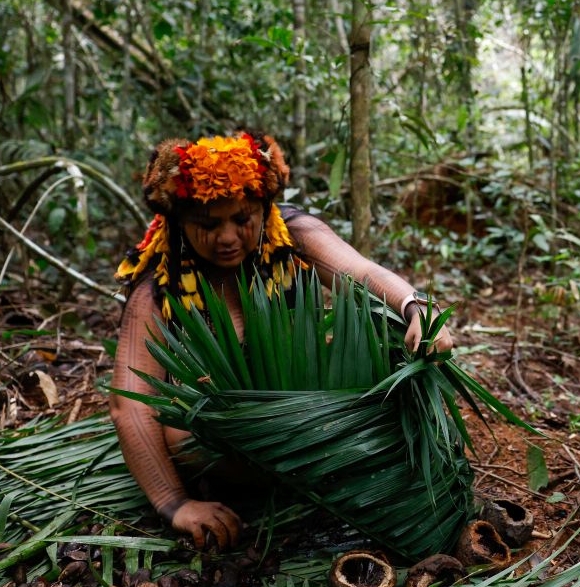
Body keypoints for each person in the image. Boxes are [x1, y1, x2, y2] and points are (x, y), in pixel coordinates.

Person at [110, 132, 452, 550]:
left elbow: (360, 272)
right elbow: (131, 404)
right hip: (229, 439)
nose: (228, 237)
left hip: (307, 408)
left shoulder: (289, 235)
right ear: (180, 221)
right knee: (180, 436)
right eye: (209, 224)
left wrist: (416, 306)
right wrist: (175, 504)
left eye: (242, 218)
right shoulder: (160, 287)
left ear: (264, 207)